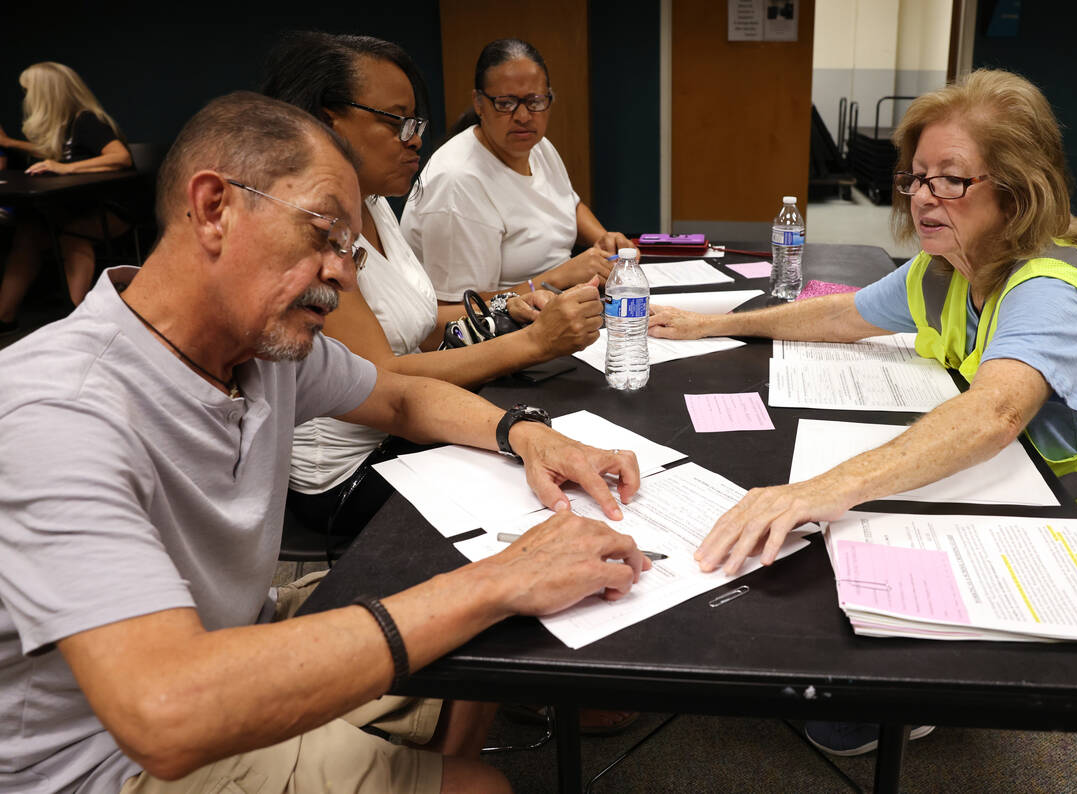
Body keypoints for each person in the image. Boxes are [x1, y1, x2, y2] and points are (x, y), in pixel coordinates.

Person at [0, 91, 650, 794]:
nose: (342, 272)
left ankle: (438, 762)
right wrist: (496, 582)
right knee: (487, 722)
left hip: (233, 634)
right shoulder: (55, 410)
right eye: (324, 233)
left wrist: (525, 436)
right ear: (215, 208)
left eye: (349, 247)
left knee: (494, 628)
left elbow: (399, 396)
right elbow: (165, 713)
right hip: (107, 759)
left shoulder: (260, 346)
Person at [648, 69, 1077, 754]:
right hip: (1014, 493)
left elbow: (992, 417)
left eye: (951, 180)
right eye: (918, 178)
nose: (925, 198)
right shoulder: (950, 266)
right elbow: (844, 313)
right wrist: (713, 325)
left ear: (1018, 190)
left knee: (841, 528)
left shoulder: (1051, 291)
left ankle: (907, 697)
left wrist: (818, 491)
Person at [260, 31, 604, 541]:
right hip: (349, 472)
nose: (415, 137)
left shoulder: (375, 205)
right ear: (327, 121)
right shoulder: (310, 234)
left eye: (415, 121)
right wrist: (532, 343)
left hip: (406, 426)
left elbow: (419, 325)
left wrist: (512, 305)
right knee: (549, 505)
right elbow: (386, 379)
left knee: (561, 463)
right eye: (398, 121)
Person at [400, 37, 635, 304]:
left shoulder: (538, 147)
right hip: (495, 330)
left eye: (534, 101)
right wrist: (560, 277)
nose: (523, 116)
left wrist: (604, 239)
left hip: (557, 303)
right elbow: (457, 311)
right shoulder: (457, 183)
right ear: (479, 103)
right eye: (505, 103)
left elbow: (568, 204)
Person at [0, 62, 133, 331]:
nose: (27, 99)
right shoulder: (65, 126)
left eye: (30, 91)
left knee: (73, 236)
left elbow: (121, 157)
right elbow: (52, 150)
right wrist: (10, 144)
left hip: (110, 210)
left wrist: (64, 167)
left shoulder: (86, 120)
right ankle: (4, 318)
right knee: (28, 234)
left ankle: (73, 323)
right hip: (74, 208)